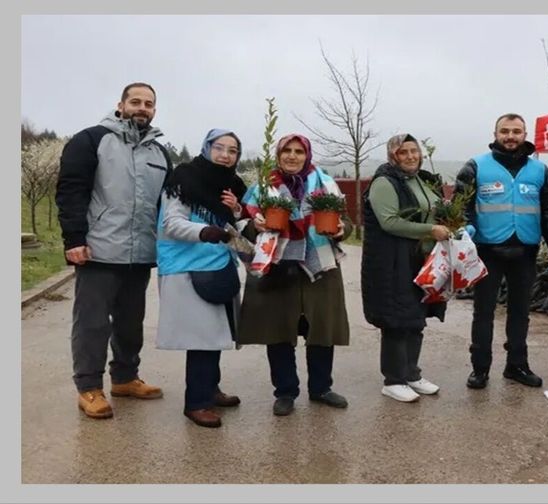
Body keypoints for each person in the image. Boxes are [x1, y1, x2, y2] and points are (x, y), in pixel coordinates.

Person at [56, 82, 170, 419]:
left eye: (148, 103)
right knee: (92, 323)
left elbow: (167, 203)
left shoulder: (159, 153)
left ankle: (125, 377)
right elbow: (71, 190)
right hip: (99, 251)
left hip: (141, 253)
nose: (142, 108)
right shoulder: (91, 140)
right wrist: (74, 239)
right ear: (120, 105)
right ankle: (89, 387)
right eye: (135, 101)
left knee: (131, 322)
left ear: (154, 110)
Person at [238, 134, 351, 416]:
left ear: (307, 155)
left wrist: (341, 230)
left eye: (299, 151)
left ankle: (321, 388)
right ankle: (285, 391)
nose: (292, 156)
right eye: (286, 150)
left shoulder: (326, 184)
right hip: (278, 266)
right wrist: (254, 226)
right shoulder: (262, 187)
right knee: (279, 331)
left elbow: (345, 221)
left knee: (321, 330)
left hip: (321, 266)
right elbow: (242, 224)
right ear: (278, 155)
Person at [455, 113, 548, 390]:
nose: (510, 136)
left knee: (520, 312)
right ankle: (480, 368)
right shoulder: (476, 166)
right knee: (483, 312)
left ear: (525, 135)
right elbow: (461, 205)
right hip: (487, 251)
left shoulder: (539, 171)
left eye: (516, 131)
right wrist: (466, 224)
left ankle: (517, 365)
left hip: (524, 252)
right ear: (495, 135)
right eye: (505, 131)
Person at [156, 129, 247, 428]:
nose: (225, 155)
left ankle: (210, 388)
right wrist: (205, 231)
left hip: (218, 264)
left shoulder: (231, 185)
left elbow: (233, 222)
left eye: (232, 151)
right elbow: (172, 223)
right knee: (201, 338)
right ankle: (196, 403)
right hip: (187, 266)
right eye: (219, 147)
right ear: (206, 148)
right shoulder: (183, 179)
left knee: (215, 333)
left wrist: (236, 209)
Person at [361, 134, 449, 403]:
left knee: (416, 317)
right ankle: (394, 380)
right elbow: (389, 222)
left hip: (420, 260)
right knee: (396, 320)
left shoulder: (421, 179)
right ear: (393, 156)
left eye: (414, 151)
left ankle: (411, 373)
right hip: (392, 261)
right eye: (403, 152)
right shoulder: (384, 182)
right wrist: (430, 230)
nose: (410, 156)